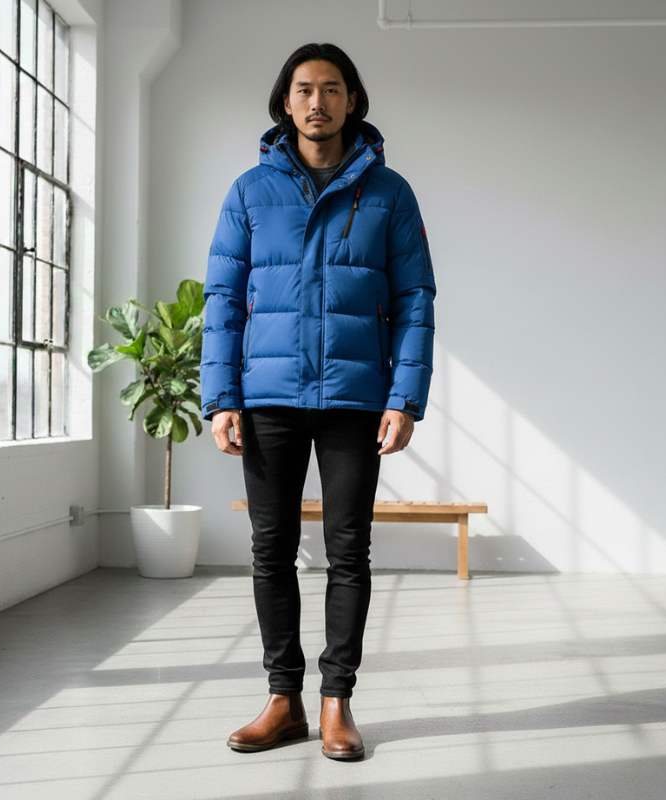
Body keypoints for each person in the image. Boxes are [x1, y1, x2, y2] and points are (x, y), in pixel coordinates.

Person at [201, 42, 435, 760]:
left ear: (353, 102)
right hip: (267, 396)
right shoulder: (248, 191)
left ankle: (337, 704)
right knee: (270, 551)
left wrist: (405, 398)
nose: (317, 101)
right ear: (285, 103)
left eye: (332, 89)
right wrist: (220, 398)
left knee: (347, 552)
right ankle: (283, 701)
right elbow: (222, 298)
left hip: (355, 397)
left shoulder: (389, 193)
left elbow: (415, 299)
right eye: (304, 89)